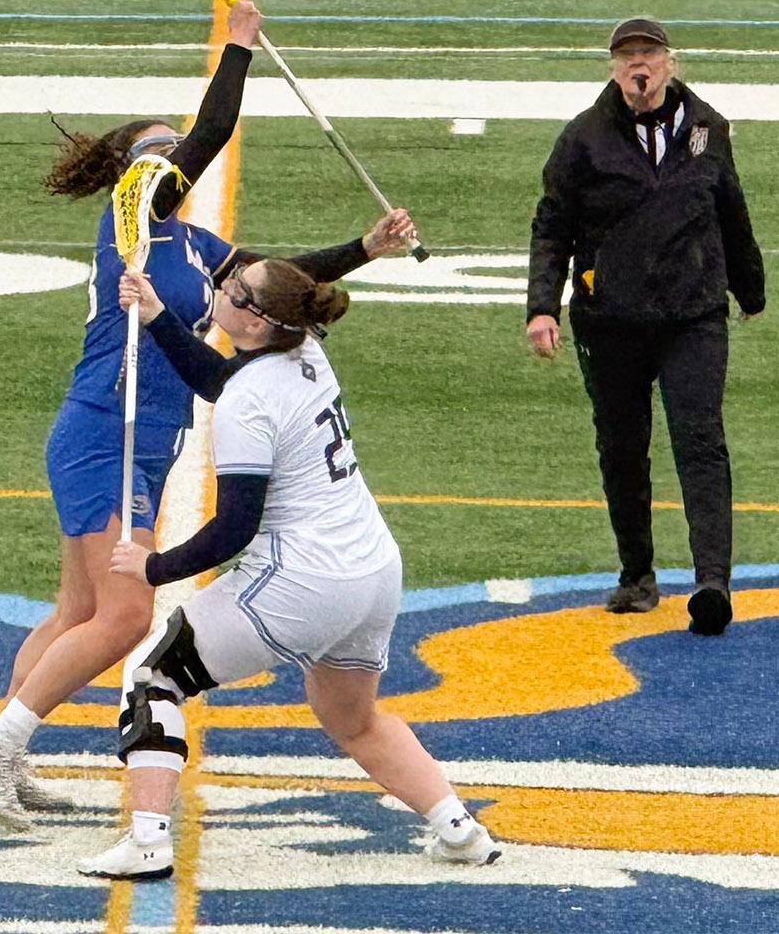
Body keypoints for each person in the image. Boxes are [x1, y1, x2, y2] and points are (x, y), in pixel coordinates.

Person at [0, 0, 420, 828]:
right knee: (130, 611)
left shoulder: (193, 245)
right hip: (104, 434)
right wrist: (236, 49)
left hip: (143, 442)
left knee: (78, 613)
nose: (172, 162)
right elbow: (209, 138)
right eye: (157, 154)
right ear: (135, 172)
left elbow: (278, 277)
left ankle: (0, 747)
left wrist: (364, 249)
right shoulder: (132, 226)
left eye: (171, 153)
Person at [74, 256, 501, 879]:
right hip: (374, 572)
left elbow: (234, 527)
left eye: (233, 289)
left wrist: (154, 567)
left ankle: (147, 841)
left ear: (254, 322)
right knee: (352, 718)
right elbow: (224, 377)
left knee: (153, 676)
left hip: (307, 579)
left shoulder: (249, 404)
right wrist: (160, 317)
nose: (221, 288)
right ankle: (459, 829)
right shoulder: (304, 352)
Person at [526, 17, 766, 637]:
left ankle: (713, 581)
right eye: (629, 57)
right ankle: (637, 575)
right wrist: (542, 306)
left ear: (670, 63)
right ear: (613, 68)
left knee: (701, 440)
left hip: (693, 312)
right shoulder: (581, 140)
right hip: (610, 319)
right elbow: (552, 224)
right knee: (622, 447)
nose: (641, 66)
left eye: (650, 55)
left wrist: (749, 286)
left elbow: (729, 206)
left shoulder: (708, 128)